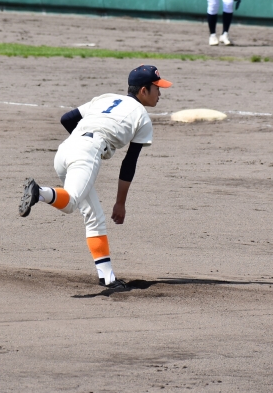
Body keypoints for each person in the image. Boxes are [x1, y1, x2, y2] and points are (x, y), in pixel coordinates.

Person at [19, 65, 172, 290]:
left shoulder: (106, 99)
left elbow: (67, 119)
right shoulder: (142, 117)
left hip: (65, 150)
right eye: (157, 88)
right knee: (71, 203)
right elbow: (129, 163)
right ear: (143, 90)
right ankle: (39, 192)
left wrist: (82, 141)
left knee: (93, 215)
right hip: (86, 151)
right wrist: (120, 203)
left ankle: (107, 277)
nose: (160, 93)